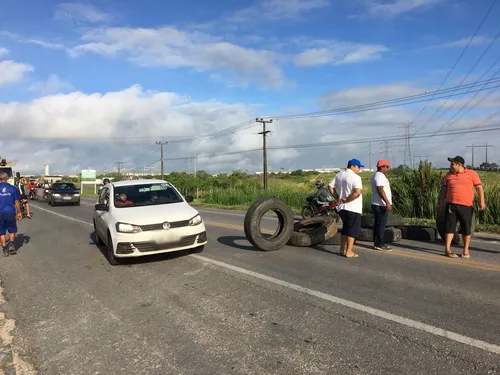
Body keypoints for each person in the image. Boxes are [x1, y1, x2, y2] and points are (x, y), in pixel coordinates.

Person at [439, 156, 485, 259]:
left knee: (466, 229)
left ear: (459, 164)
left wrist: (482, 201)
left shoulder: (472, 174)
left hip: (466, 206)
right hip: (451, 205)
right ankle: (447, 249)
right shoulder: (448, 175)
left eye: (452, 164)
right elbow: (444, 191)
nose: (451, 166)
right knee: (449, 228)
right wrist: (441, 203)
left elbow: (479, 188)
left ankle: (465, 250)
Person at [328, 159, 364, 258]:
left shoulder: (339, 175)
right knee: (352, 230)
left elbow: (330, 187)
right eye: (358, 167)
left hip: (342, 208)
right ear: (352, 166)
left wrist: (337, 197)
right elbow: (357, 193)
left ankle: (342, 249)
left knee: (346, 228)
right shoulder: (356, 177)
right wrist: (347, 199)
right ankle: (349, 251)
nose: (359, 169)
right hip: (353, 207)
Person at [370, 160, 393, 251]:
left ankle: (377, 242)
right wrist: (387, 202)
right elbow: (380, 189)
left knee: (378, 224)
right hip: (380, 204)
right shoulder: (379, 176)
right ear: (382, 167)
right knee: (381, 225)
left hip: (377, 203)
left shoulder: (376, 175)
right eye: (387, 167)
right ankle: (379, 243)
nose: (388, 168)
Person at [0, 172, 23, 256]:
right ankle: (11, 244)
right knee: (11, 229)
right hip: (10, 212)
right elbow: (16, 201)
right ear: (7, 178)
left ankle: (4, 249)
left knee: (1, 232)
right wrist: (19, 212)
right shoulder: (13, 188)